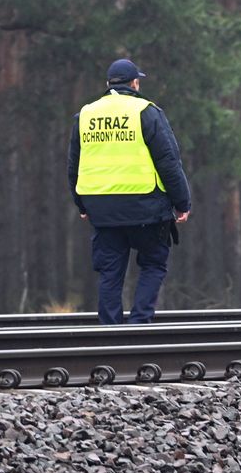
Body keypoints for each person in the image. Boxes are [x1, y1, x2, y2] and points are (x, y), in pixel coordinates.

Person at [68, 59, 191, 324]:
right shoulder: (146, 111)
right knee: (153, 264)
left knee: (110, 272)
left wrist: (81, 205)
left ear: (108, 84)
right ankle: (139, 326)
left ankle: (110, 334)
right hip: (146, 207)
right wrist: (182, 202)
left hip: (102, 210)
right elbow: (168, 161)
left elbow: (74, 165)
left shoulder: (86, 114)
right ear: (135, 83)